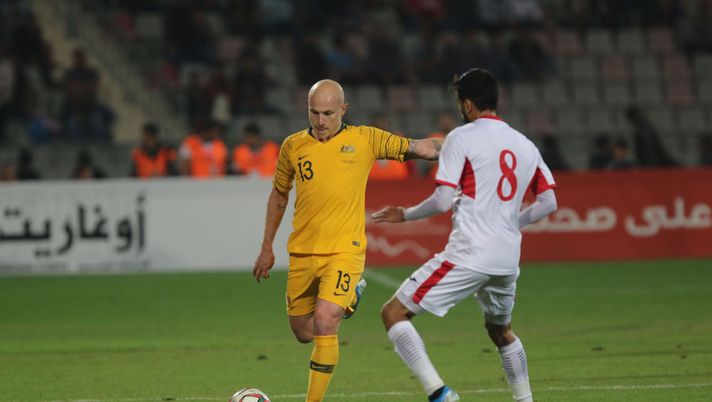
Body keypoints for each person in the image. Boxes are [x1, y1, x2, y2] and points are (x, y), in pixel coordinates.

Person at [373, 68, 558, 402]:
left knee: (393, 313)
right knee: (500, 331)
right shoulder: (524, 144)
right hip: (507, 258)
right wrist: (509, 225)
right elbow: (549, 202)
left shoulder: (462, 137)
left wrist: (406, 215)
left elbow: (443, 199)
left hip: (470, 254)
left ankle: (440, 393)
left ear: (469, 105)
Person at [252, 79, 442, 402]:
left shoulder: (365, 138)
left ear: (344, 109)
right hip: (302, 251)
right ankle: (351, 298)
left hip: (345, 250)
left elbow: (421, 148)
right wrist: (266, 247)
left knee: (326, 321)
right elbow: (279, 195)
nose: (321, 121)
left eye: (328, 112)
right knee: (303, 331)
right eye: (314, 113)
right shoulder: (292, 146)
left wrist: (468, 143)